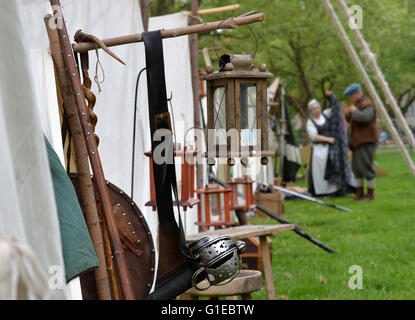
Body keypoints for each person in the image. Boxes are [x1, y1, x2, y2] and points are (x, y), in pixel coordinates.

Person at [344, 84, 378, 201]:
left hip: (365, 140)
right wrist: (349, 112)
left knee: (366, 168)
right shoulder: (357, 105)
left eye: (351, 96)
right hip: (356, 141)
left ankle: (370, 194)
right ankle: (359, 193)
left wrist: (354, 111)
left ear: (358, 93)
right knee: (357, 168)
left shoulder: (367, 104)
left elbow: (366, 118)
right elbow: (350, 119)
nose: (350, 98)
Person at [306, 98, 340, 196]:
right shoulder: (310, 122)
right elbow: (314, 136)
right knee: (320, 171)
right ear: (311, 111)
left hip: (330, 150)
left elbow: (335, 107)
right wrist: (328, 139)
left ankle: (334, 190)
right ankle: (322, 191)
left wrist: (331, 97)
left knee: (332, 169)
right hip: (319, 150)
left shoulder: (326, 114)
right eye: (315, 109)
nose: (317, 110)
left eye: (318, 108)